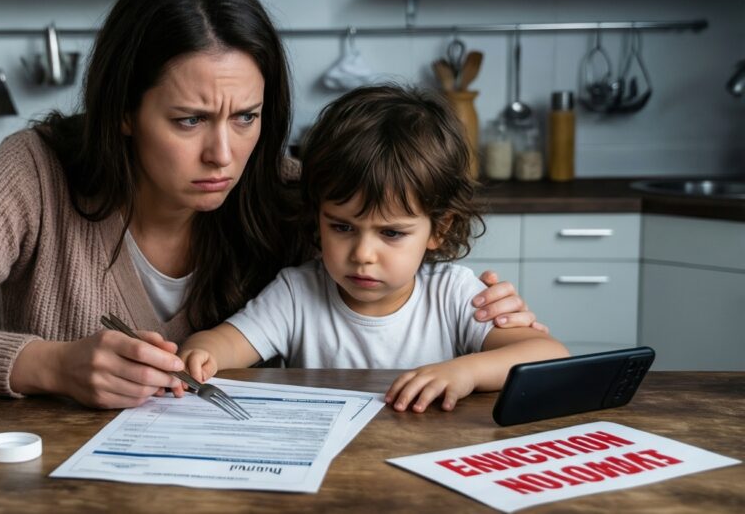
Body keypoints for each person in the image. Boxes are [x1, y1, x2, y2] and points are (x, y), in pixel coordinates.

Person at [0, 0, 539, 409]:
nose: (224, 153)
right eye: (188, 120)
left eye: (245, 117)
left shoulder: (299, 194)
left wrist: (484, 308)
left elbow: (390, 232)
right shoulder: (33, 172)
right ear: (124, 112)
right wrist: (51, 365)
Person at [179, 85, 569, 413]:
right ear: (318, 217)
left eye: (392, 233)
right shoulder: (296, 293)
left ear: (438, 229)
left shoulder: (453, 293)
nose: (363, 253)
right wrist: (201, 350)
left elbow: (548, 354)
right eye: (343, 227)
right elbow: (225, 342)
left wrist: (465, 372)